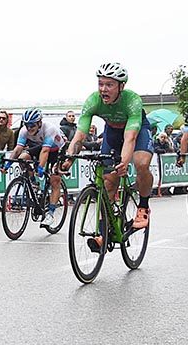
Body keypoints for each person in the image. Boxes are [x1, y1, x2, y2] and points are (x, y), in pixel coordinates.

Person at [63, 62, 154, 247]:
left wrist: (123, 162)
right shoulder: (93, 101)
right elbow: (79, 135)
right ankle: (105, 231)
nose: (103, 89)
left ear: (121, 86)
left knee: (141, 163)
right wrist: (69, 158)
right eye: (101, 84)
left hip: (136, 130)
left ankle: (143, 207)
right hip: (112, 133)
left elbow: (130, 138)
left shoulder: (132, 100)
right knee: (109, 182)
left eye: (109, 85)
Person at [4, 108, 66, 229]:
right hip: (42, 146)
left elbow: (45, 151)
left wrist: (41, 168)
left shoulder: (49, 129)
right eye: (27, 125)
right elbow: (18, 149)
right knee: (22, 158)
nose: (29, 128)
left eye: (32, 125)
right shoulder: (23, 131)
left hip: (58, 149)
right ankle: (33, 183)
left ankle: (51, 213)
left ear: (39, 123)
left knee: (55, 179)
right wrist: (8, 164)